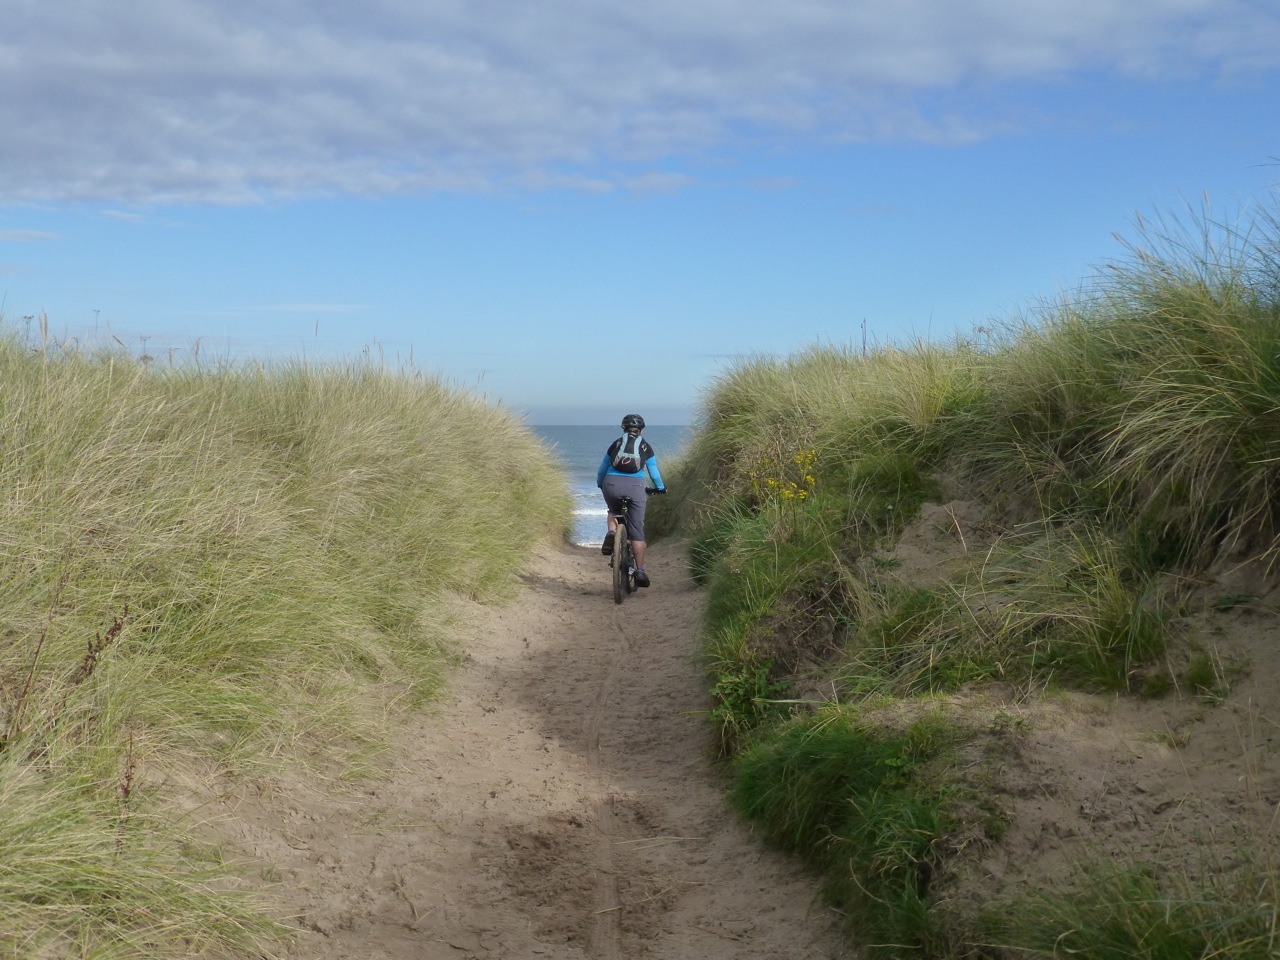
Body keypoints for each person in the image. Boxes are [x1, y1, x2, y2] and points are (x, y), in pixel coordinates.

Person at [597, 413, 666, 588]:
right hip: (635, 487)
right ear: (641, 430)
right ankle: (640, 571)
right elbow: (654, 473)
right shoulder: (645, 446)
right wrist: (660, 488)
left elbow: (602, 469)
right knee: (637, 531)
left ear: (624, 429)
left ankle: (612, 532)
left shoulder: (616, 444)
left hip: (610, 484)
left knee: (613, 511)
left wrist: (601, 484)